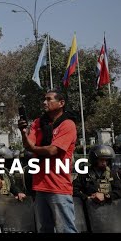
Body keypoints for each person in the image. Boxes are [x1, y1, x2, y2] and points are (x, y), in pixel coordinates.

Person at [18, 89, 78, 233]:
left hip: (59, 187)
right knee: (45, 229)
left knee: (66, 230)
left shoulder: (68, 124)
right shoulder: (38, 123)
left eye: (49, 99)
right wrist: (23, 132)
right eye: (44, 99)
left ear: (61, 103)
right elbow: (28, 145)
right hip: (40, 185)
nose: (44, 102)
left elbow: (52, 150)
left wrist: (33, 147)